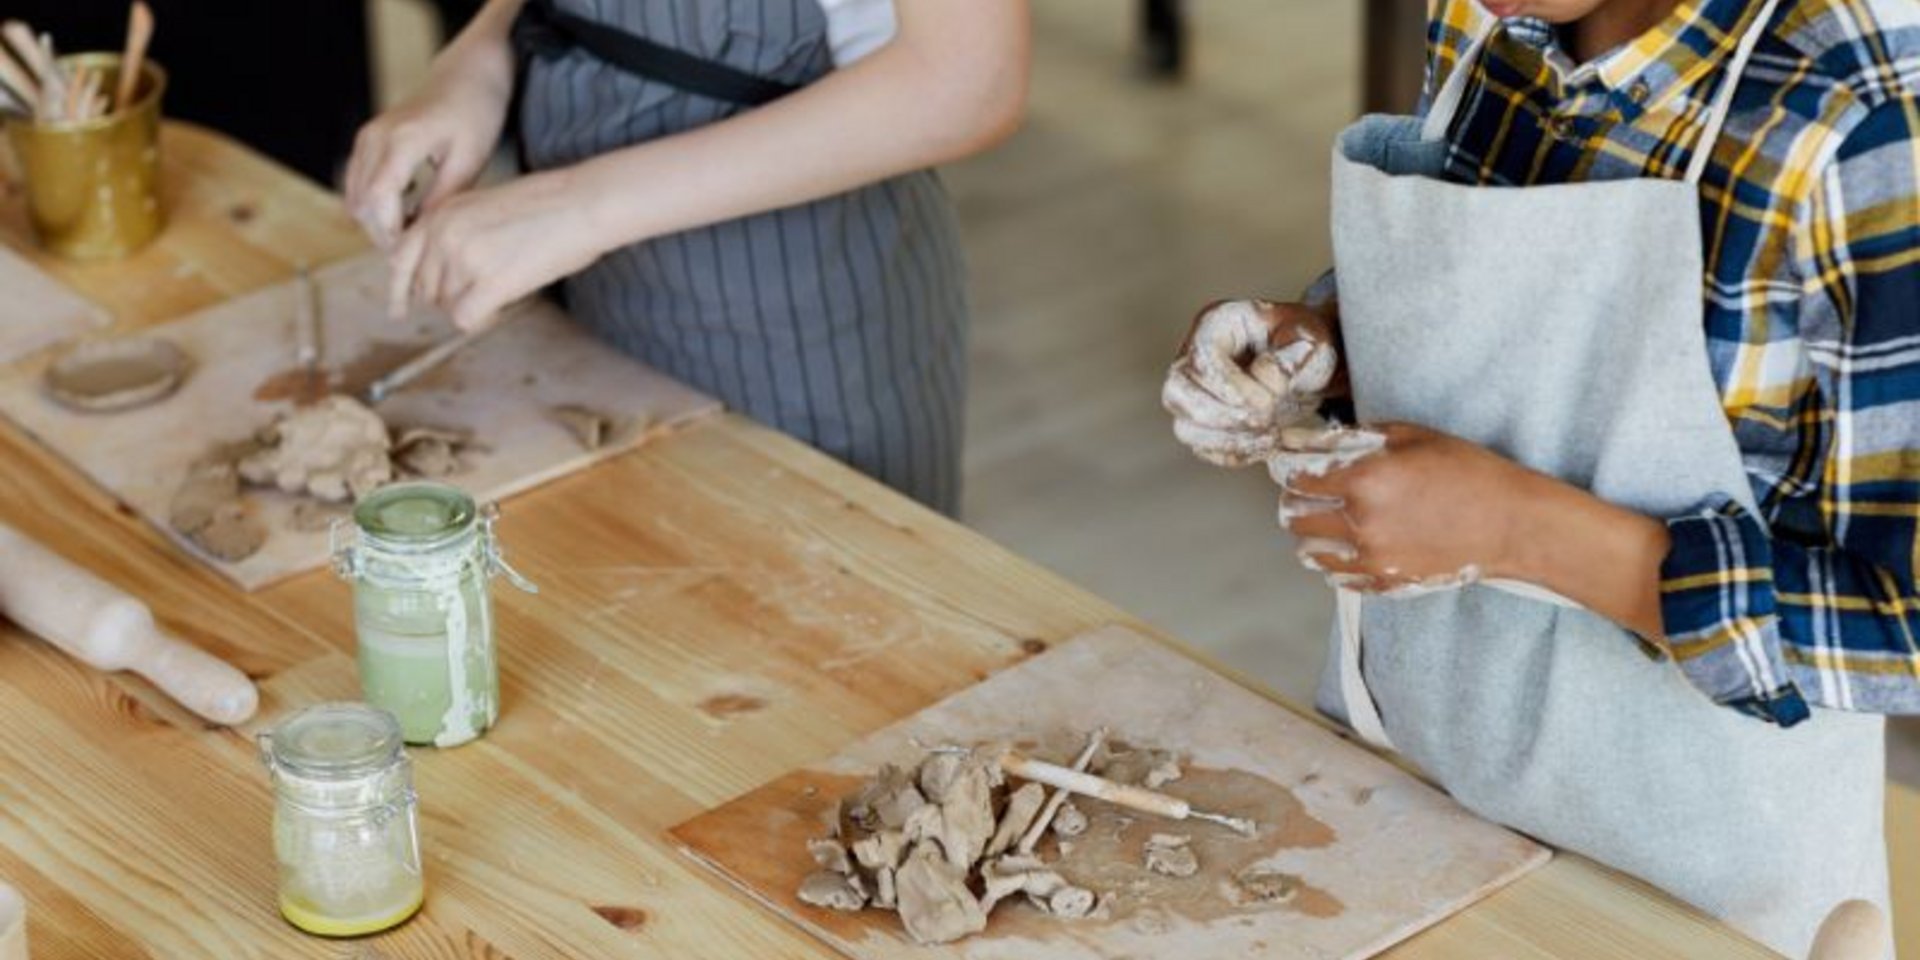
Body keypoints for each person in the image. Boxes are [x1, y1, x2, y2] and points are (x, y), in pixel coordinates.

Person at [1164, 0, 1917, 954]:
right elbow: (1520, 326)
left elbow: (1905, 623)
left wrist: (1517, 532)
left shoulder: (1860, 115)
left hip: (1694, 880)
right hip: (1419, 774)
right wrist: (1326, 346)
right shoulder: (1492, 16)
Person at [345, 0, 1031, 516]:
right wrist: (478, 60)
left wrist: (578, 206)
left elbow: (971, 83)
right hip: (590, 282)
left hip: (796, 319)